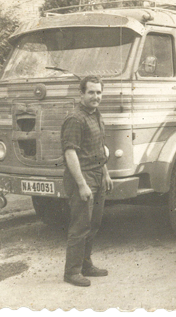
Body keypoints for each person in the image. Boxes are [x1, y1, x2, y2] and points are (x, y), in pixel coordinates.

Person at [61, 75, 113, 287]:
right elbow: (70, 153)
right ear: (81, 94)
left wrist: (106, 173)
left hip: (98, 175)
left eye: (99, 92)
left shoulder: (96, 115)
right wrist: (82, 184)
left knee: (94, 223)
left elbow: (99, 148)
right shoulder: (75, 119)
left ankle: (85, 265)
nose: (96, 96)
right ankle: (71, 272)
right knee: (80, 226)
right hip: (82, 177)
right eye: (91, 92)